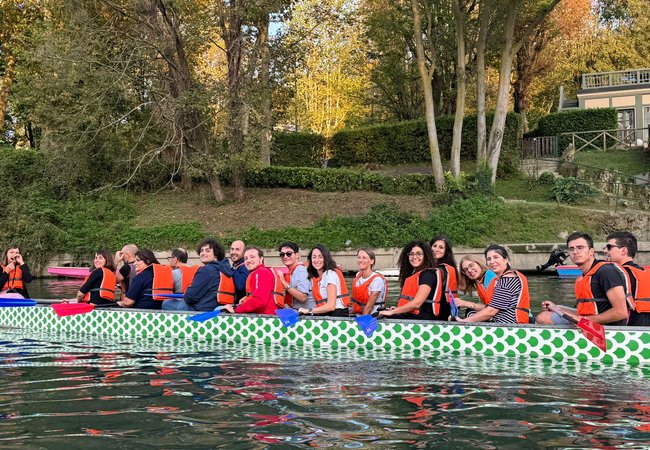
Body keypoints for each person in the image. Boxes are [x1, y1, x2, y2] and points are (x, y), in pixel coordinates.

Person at [537, 232, 629, 326]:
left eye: (580, 248)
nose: (575, 252)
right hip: (591, 322)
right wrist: (556, 308)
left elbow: (621, 312)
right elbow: (583, 313)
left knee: (543, 317)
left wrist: (583, 320)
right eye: (571, 249)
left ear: (591, 251)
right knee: (555, 309)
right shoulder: (583, 276)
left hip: (608, 329)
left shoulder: (606, 271)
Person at [456, 245, 532, 324]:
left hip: (511, 325)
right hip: (503, 323)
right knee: (470, 313)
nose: (492, 262)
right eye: (489, 259)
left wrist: (463, 322)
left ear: (505, 260)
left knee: (470, 314)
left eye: (496, 257)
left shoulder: (507, 279)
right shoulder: (503, 279)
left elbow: (491, 311)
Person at [379, 240, 447, 321]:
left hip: (422, 320)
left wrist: (393, 312)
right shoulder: (415, 274)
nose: (414, 257)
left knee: (378, 317)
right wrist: (397, 309)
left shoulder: (427, 275)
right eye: (411, 254)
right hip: (411, 316)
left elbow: (417, 303)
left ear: (426, 256)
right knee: (378, 314)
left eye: (419, 254)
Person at [162, 239, 233, 312]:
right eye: (201, 251)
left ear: (216, 254)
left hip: (201, 310)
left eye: (207, 251)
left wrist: (187, 294)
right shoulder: (226, 269)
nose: (203, 253)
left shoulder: (206, 270)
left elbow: (190, 297)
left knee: (166, 303)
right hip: (218, 308)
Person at [604, 231, 649, 326]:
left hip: (628, 329)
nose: (605, 251)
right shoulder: (646, 272)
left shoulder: (614, 274)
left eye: (609, 247)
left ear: (623, 250)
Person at [223, 247, 281, 315]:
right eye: (246, 258)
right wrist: (246, 299)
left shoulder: (261, 272)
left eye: (252, 257)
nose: (248, 261)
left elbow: (259, 301)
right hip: (266, 315)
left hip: (265, 316)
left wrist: (236, 309)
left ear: (261, 259)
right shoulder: (261, 272)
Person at [298, 244, 350, 317]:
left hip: (337, 314)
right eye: (314, 257)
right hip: (327, 314)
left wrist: (307, 311)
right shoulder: (319, 276)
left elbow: (331, 306)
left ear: (326, 258)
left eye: (320, 257)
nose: (317, 260)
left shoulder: (330, 274)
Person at [275, 241, 311, 310]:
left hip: (305, 313)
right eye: (282, 254)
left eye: (289, 254)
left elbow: (303, 297)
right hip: (298, 311)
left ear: (297, 255)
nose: (285, 257)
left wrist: (283, 282)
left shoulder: (300, 270)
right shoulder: (294, 271)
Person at [351, 248, 387, 316]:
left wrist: (362, 321)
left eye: (364, 258)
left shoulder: (377, 280)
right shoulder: (358, 275)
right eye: (359, 257)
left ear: (372, 261)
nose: (360, 260)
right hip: (358, 314)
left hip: (373, 316)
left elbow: (369, 307)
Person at [430, 236, 458, 302]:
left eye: (441, 247)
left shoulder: (443, 269)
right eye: (434, 246)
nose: (436, 250)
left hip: (441, 305)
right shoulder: (430, 265)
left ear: (446, 251)